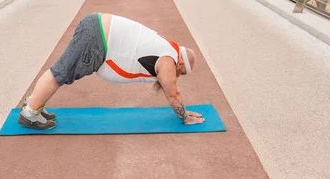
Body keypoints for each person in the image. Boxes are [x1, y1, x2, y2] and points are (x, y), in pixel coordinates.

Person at [18, 12, 205, 130]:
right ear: (181, 64)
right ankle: (30, 113)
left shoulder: (167, 48)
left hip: (97, 31)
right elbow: (173, 94)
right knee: (60, 74)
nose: (178, 75)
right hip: (98, 35)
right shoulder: (169, 60)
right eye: (182, 73)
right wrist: (185, 117)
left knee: (62, 73)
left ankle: (34, 102)